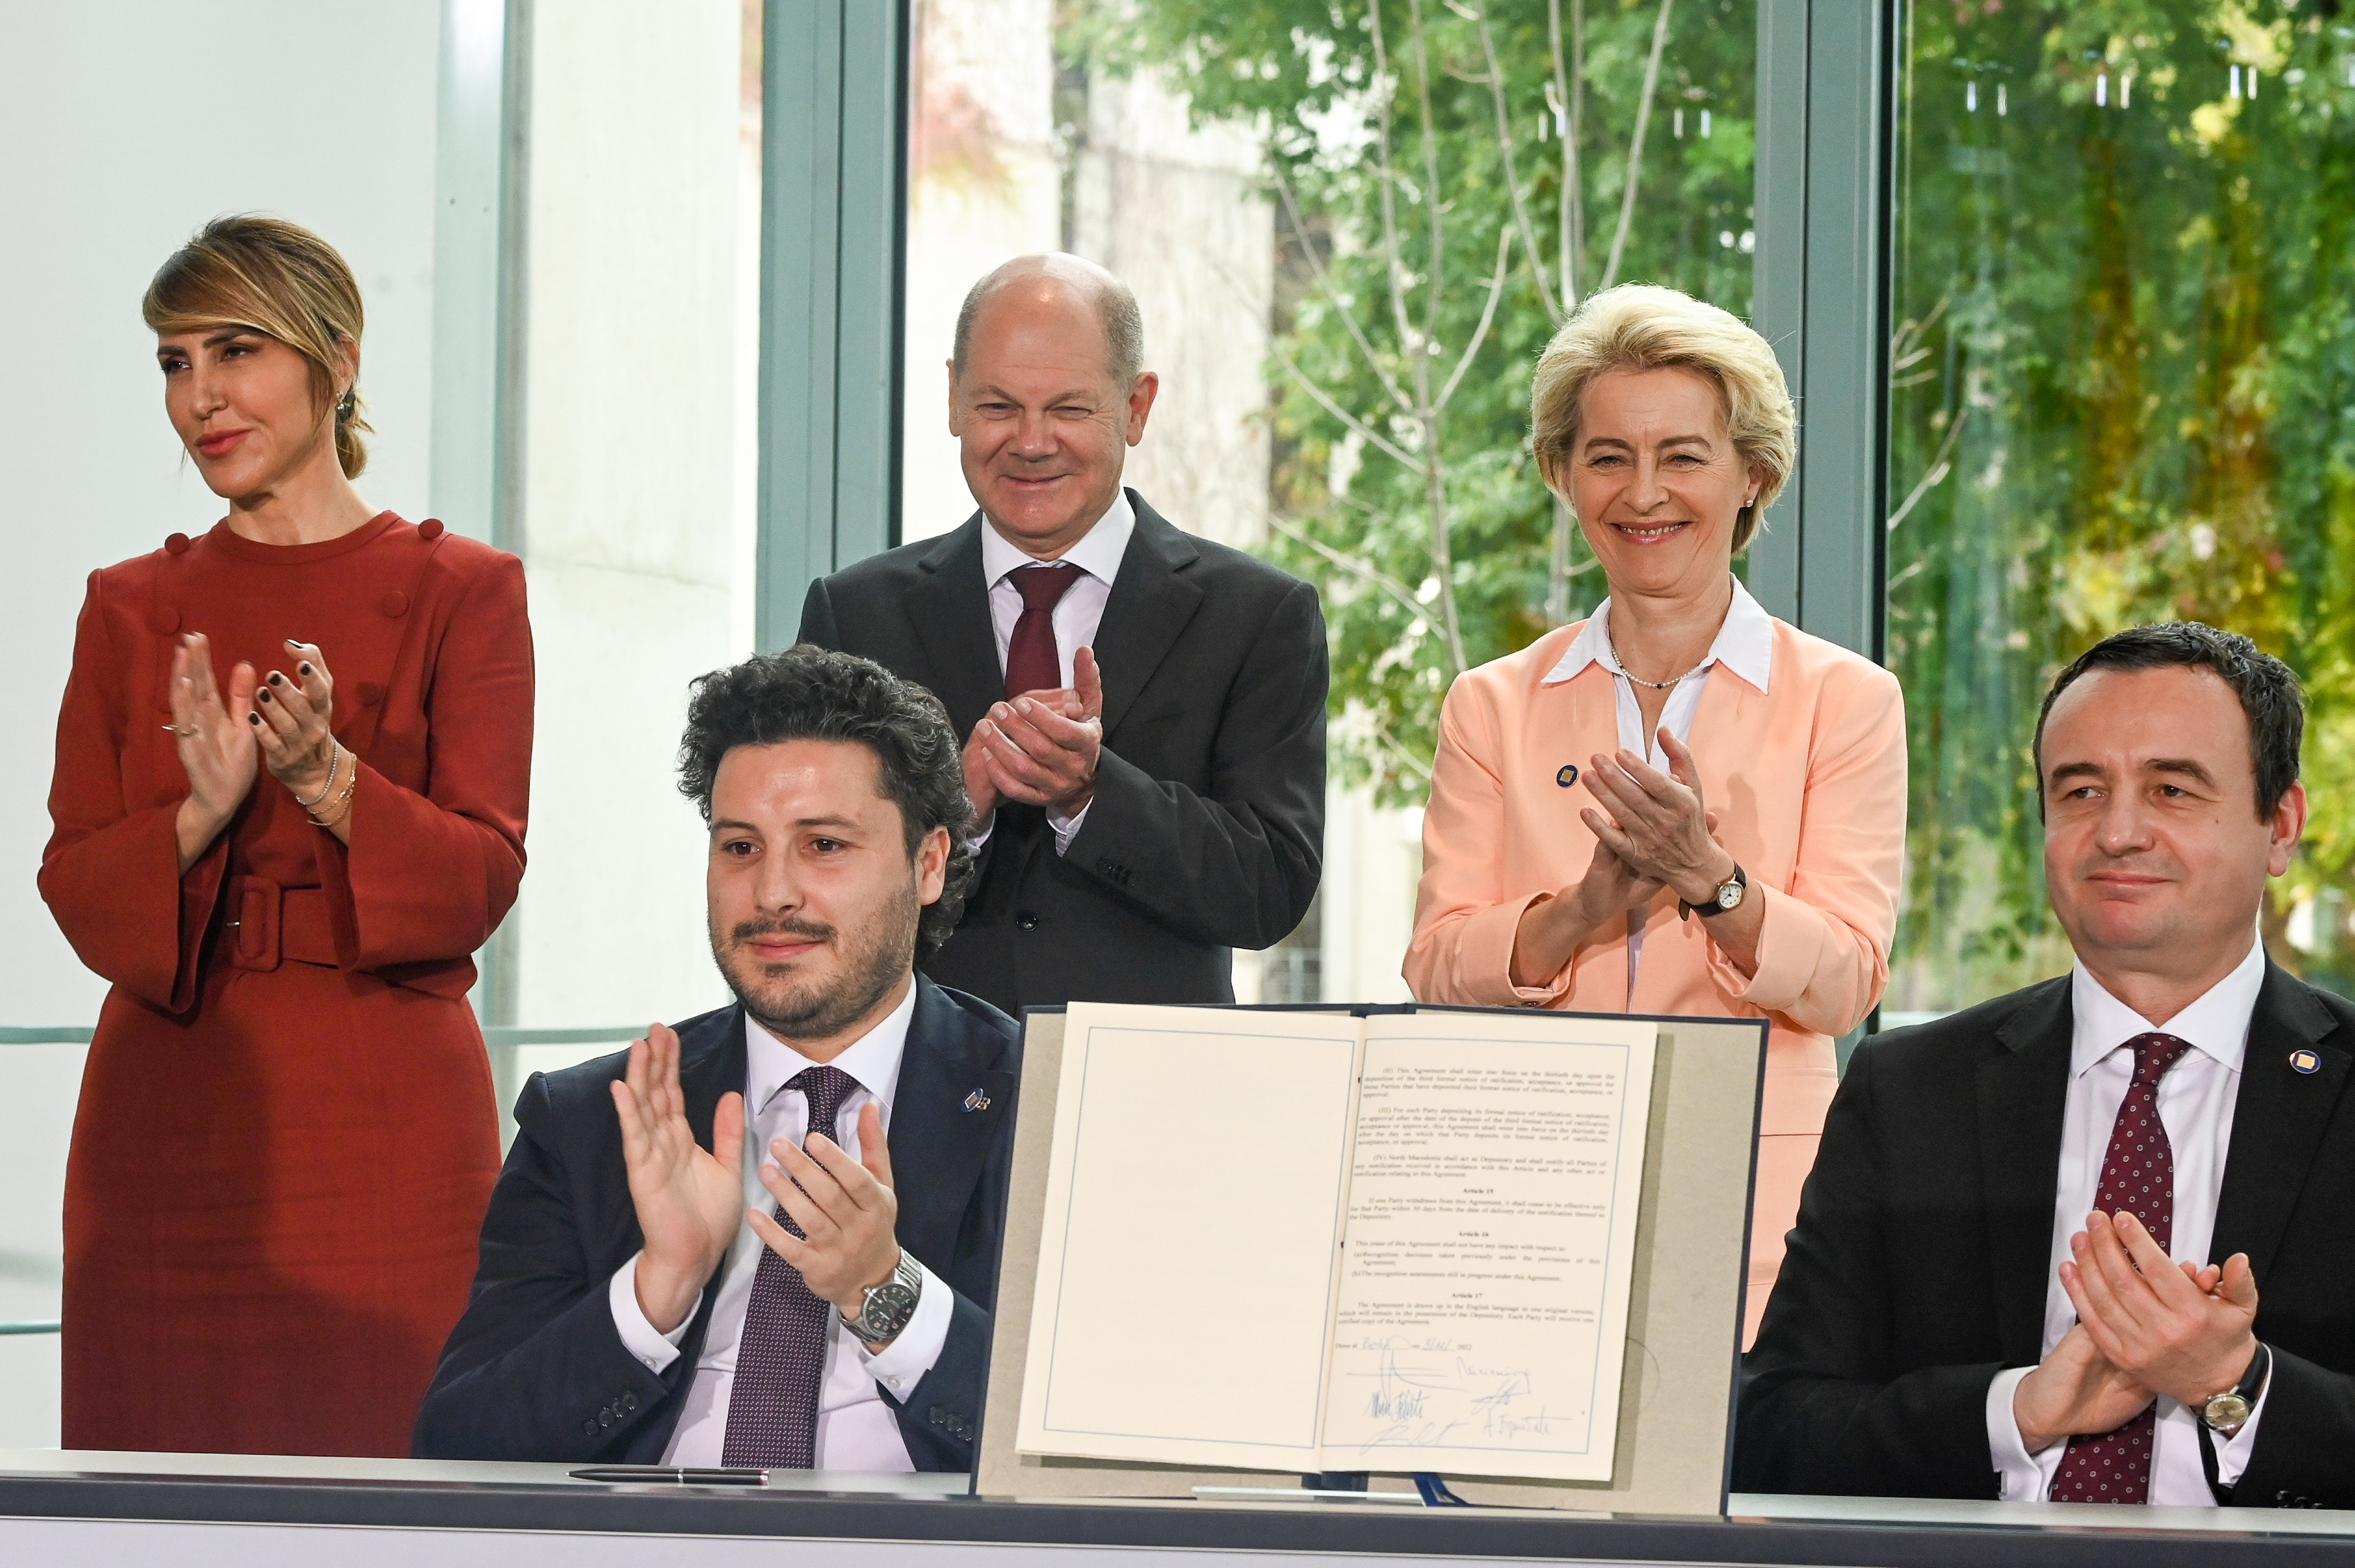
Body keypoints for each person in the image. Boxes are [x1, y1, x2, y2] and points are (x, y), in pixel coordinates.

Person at [39, 215, 532, 1455]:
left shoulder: (463, 591)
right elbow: (75, 883)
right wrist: (198, 815)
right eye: (173, 361)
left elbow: (483, 875)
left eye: (237, 350)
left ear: (338, 360)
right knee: (146, 1498)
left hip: (387, 1125)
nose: (201, 396)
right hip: (169, 1117)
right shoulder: (127, 606)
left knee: (391, 1485)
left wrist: (331, 782)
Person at [1739, 623, 2355, 1509]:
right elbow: (1772, 1435)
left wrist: (2236, 1384)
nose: (2118, 832)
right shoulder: (1909, 1090)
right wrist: (2015, 1413)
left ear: (2281, 826)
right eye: (2080, 790)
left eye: (2173, 789)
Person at [1405, 284, 1906, 1341]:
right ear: (1560, 473)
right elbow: (1437, 966)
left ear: (1751, 475)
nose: (1645, 494)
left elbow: (1849, 981)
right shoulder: (1490, 705)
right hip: (1526, 1193)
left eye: (1683, 456)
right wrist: (1579, 911)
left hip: (1764, 1211)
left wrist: (1712, 883)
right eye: (1607, 457)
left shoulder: (1846, 702)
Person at [414, 648, 1017, 1471]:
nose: (772, 893)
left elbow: (1105, 1443)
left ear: (930, 863)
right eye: (740, 848)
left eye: (825, 846)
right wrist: (658, 1287)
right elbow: (458, 1447)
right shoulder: (594, 1116)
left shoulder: (1041, 1103)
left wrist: (885, 1292)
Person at [797, 253, 1326, 1015]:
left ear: (1137, 407)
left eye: (1071, 410)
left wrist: (1092, 793)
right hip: (914, 1097)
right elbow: (809, 879)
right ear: (951, 399)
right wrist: (955, 808)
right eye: (997, 407)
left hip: (1147, 1096)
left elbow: (1270, 891)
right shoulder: (854, 615)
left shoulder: (1256, 616)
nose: (1032, 442)